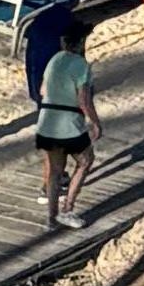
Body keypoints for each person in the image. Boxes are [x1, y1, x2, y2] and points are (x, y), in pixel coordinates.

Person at [32, 28, 98, 222]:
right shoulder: (81, 65)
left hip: (47, 121)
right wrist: (94, 122)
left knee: (55, 170)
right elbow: (84, 100)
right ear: (81, 43)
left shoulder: (55, 60)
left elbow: (43, 90)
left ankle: (51, 214)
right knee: (85, 161)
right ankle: (67, 209)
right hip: (69, 122)